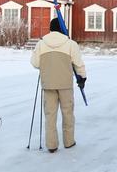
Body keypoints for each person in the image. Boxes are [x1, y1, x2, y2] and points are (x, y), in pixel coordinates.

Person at [30, 16, 86, 152]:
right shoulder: (70, 44)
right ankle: (69, 141)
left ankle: (51, 145)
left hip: (48, 84)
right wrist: (82, 78)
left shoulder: (41, 44)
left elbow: (35, 63)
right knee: (67, 113)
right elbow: (78, 64)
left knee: (50, 115)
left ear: (50, 29)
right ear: (62, 28)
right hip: (65, 84)